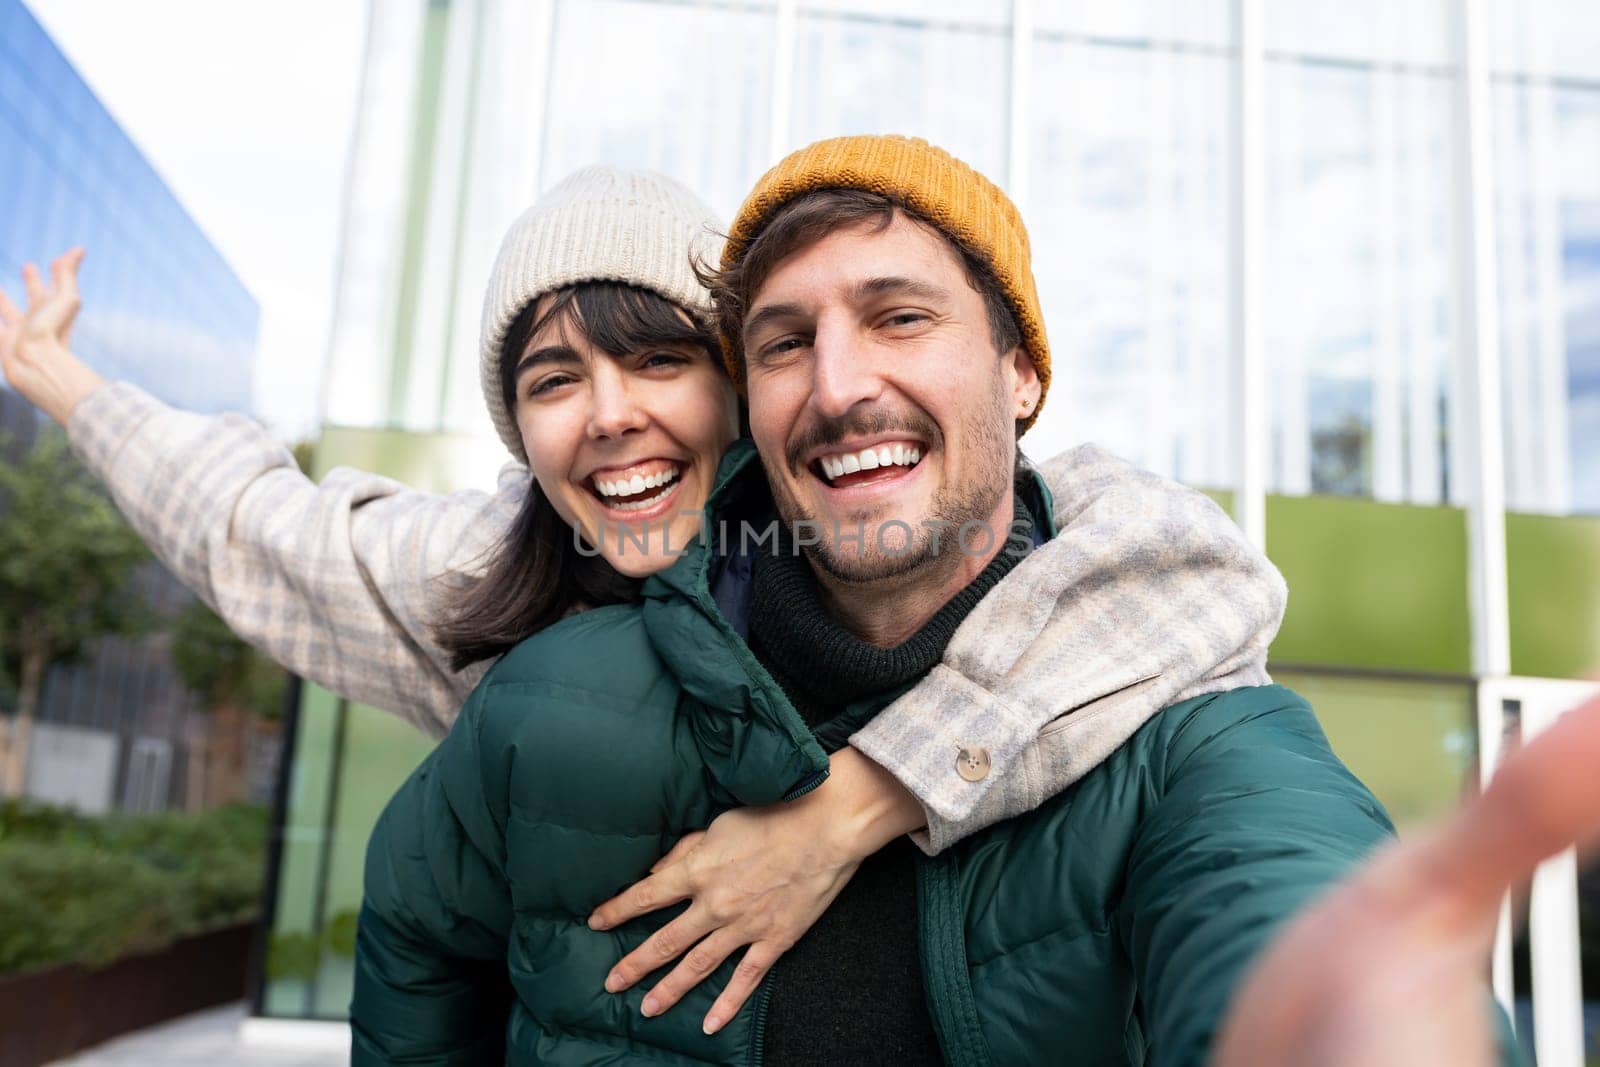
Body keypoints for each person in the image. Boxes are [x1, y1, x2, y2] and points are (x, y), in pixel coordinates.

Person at [0, 166, 1285, 1032]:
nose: (612, 414)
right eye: (554, 379)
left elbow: (1196, 577)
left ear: (741, 383)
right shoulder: (478, 596)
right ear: (518, 431)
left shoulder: (878, 544)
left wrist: (851, 806)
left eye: (660, 357)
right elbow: (250, 519)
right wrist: (62, 382)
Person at [350, 136, 1525, 1065]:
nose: (841, 383)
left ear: (1022, 374)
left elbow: (1278, 893)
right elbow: (415, 937)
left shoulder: (1180, 722)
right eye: (784, 341)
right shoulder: (547, 691)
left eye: (899, 316)